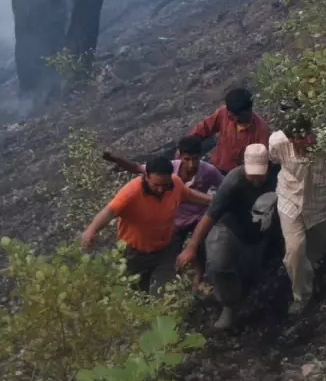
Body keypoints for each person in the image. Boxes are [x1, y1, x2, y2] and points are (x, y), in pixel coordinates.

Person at [178, 144, 280, 331]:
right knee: (219, 262)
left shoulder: (278, 173)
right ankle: (229, 306)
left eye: (261, 174)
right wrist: (192, 246)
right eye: (252, 175)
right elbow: (210, 215)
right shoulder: (234, 181)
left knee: (258, 270)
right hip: (230, 228)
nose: (256, 180)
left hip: (263, 225)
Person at [80, 156, 213, 293]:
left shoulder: (175, 183)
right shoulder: (131, 192)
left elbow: (189, 194)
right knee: (137, 292)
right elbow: (109, 211)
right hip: (135, 253)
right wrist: (91, 230)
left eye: (164, 185)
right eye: (156, 185)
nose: (161, 189)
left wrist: (215, 200)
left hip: (165, 248)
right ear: (146, 176)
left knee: (163, 291)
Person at [100, 135, 224, 272]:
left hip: (197, 217)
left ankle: (198, 279)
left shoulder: (209, 171)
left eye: (195, 159)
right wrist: (117, 160)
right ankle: (176, 276)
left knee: (200, 246)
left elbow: (225, 188)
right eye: (187, 159)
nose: (191, 164)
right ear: (180, 155)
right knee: (172, 252)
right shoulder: (168, 170)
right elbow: (137, 168)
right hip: (175, 218)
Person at [269, 113, 326, 316]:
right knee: (294, 250)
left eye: (310, 133)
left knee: (315, 251)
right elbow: (274, 160)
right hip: (291, 202)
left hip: (322, 205)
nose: (309, 140)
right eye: (301, 137)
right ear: (290, 138)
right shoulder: (277, 144)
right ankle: (302, 296)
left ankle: (313, 271)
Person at [188, 87, 271, 175]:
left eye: (236, 116)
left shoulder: (261, 130)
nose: (232, 119)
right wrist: (189, 145)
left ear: (248, 111)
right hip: (215, 165)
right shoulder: (223, 113)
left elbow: (259, 163)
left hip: (237, 174)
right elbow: (204, 128)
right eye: (230, 115)